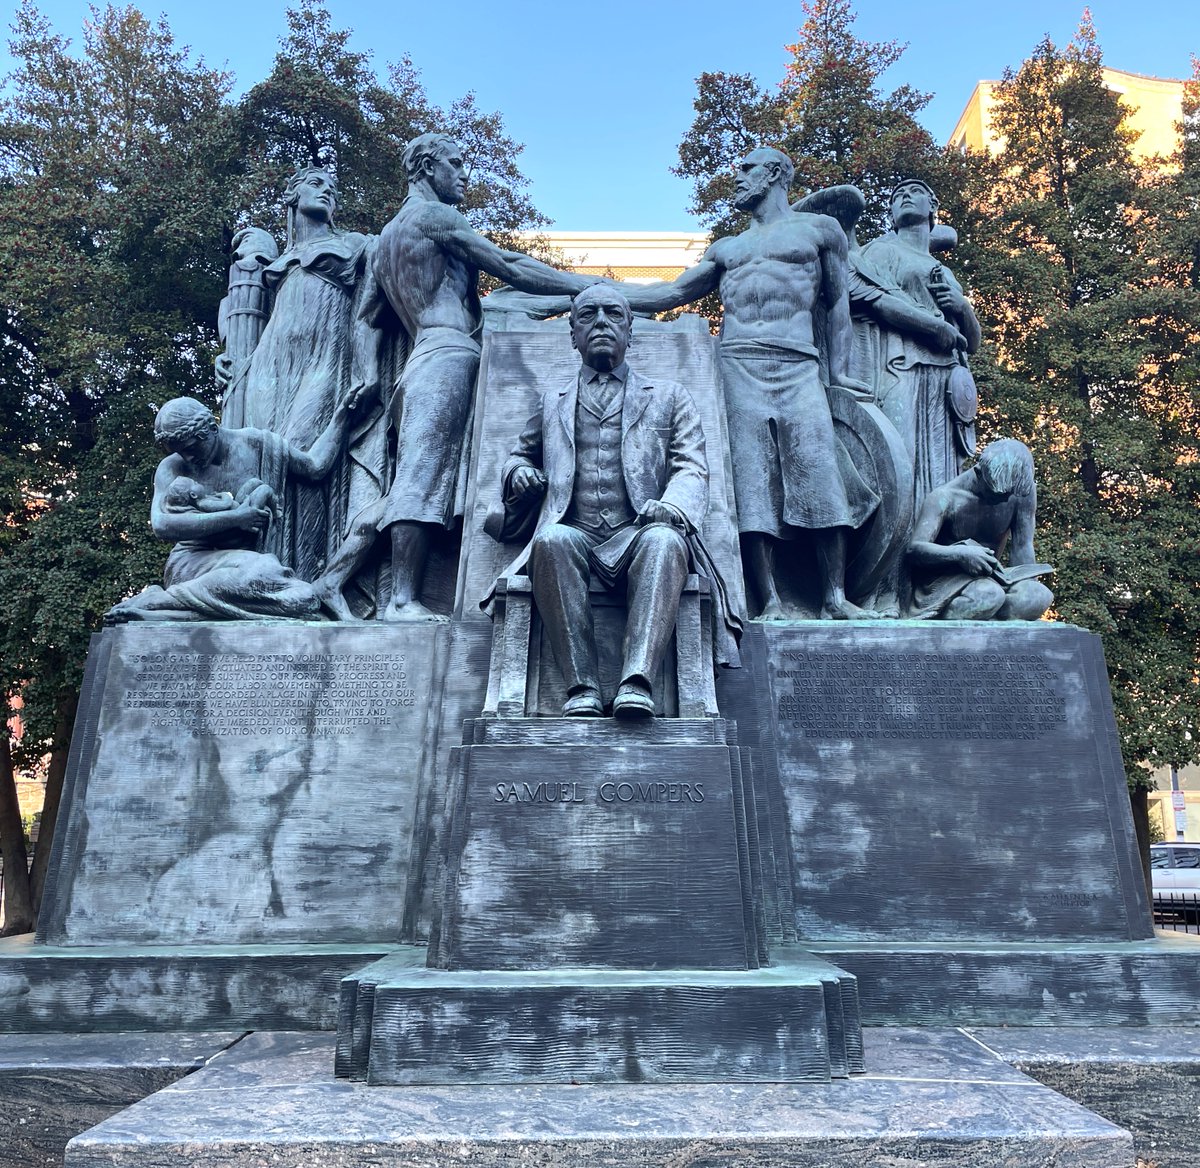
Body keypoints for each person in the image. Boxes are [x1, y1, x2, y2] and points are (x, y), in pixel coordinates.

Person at [315, 132, 598, 621]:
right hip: (448, 357)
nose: (465, 174)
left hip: (421, 361)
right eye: (456, 163)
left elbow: (366, 319)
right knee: (421, 480)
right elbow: (509, 265)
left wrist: (368, 375)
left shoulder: (386, 240)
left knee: (416, 478)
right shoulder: (435, 217)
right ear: (427, 168)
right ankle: (401, 601)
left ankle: (335, 580)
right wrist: (591, 285)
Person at [608, 148, 880, 619]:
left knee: (818, 472)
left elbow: (837, 304)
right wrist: (578, 291)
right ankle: (768, 599)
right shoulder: (727, 249)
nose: (735, 177)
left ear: (774, 172)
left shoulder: (819, 231)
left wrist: (839, 373)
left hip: (798, 364)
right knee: (752, 480)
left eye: (745, 168)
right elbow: (668, 294)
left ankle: (835, 598)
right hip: (737, 365)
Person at [485, 285, 708, 718]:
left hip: (639, 530)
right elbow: (518, 454)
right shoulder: (553, 401)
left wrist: (673, 508)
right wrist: (519, 473)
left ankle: (637, 683)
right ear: (572, 335)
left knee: (664, 542)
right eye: (588, 315)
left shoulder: (668, 396)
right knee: (550, 541)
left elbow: (691, 467)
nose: (601, 322)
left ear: (630, 332)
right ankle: (581, 688)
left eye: (613, 314)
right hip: (577, 532)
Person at [232, 166, 387, 586]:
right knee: (261, 460)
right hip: (270, 364)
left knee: (303, 456)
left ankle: (300, 577)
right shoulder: (276, 261)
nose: (328, 193)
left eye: (334, 190)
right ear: (292, 195)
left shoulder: (355, 245)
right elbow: (247, 317)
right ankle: (252, 576)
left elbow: (379, 306)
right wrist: (230, 356)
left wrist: (368, 368)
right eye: (316, 184)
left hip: (324, 360)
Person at [106, 396, 359, 623]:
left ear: (212, 429)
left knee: (304, 599)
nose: (188, 458)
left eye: (192, 448)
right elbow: (162, 525)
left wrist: (343, 416)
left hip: (248, 567)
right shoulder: (172, 468)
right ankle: (163, 601)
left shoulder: (258, 444)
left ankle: (168, 608)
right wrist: (236, 518)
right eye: (180, 452)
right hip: (193, 563)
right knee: (266, 574)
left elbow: (314, 467)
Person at [851, 179, 981, 516]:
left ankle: (936, 551)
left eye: (915, 193)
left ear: (932, 207)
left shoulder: (945, 271)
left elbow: (974, 343)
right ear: (892, 214)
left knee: (941, 469)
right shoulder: (882, 250)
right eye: (897, 197)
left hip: (946, 381)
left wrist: (962, 306)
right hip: (901, 366)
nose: (904, 197)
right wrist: (933, 326)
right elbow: (876, 303)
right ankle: (894, 561)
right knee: (899, 460)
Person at [906, 439, 1054, 621]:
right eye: (996, 495)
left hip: (994, 577)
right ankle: (957, 617)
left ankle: (991, 618)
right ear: (979, 473)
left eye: (1008, 495)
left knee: (1038, 596)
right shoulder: (945, 498)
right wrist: (960, 554)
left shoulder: (1019, 493)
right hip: (946, 581)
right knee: (989, 596)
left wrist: (1026, 584)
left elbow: (1023, 546)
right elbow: (914, 549)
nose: (1004, 501)